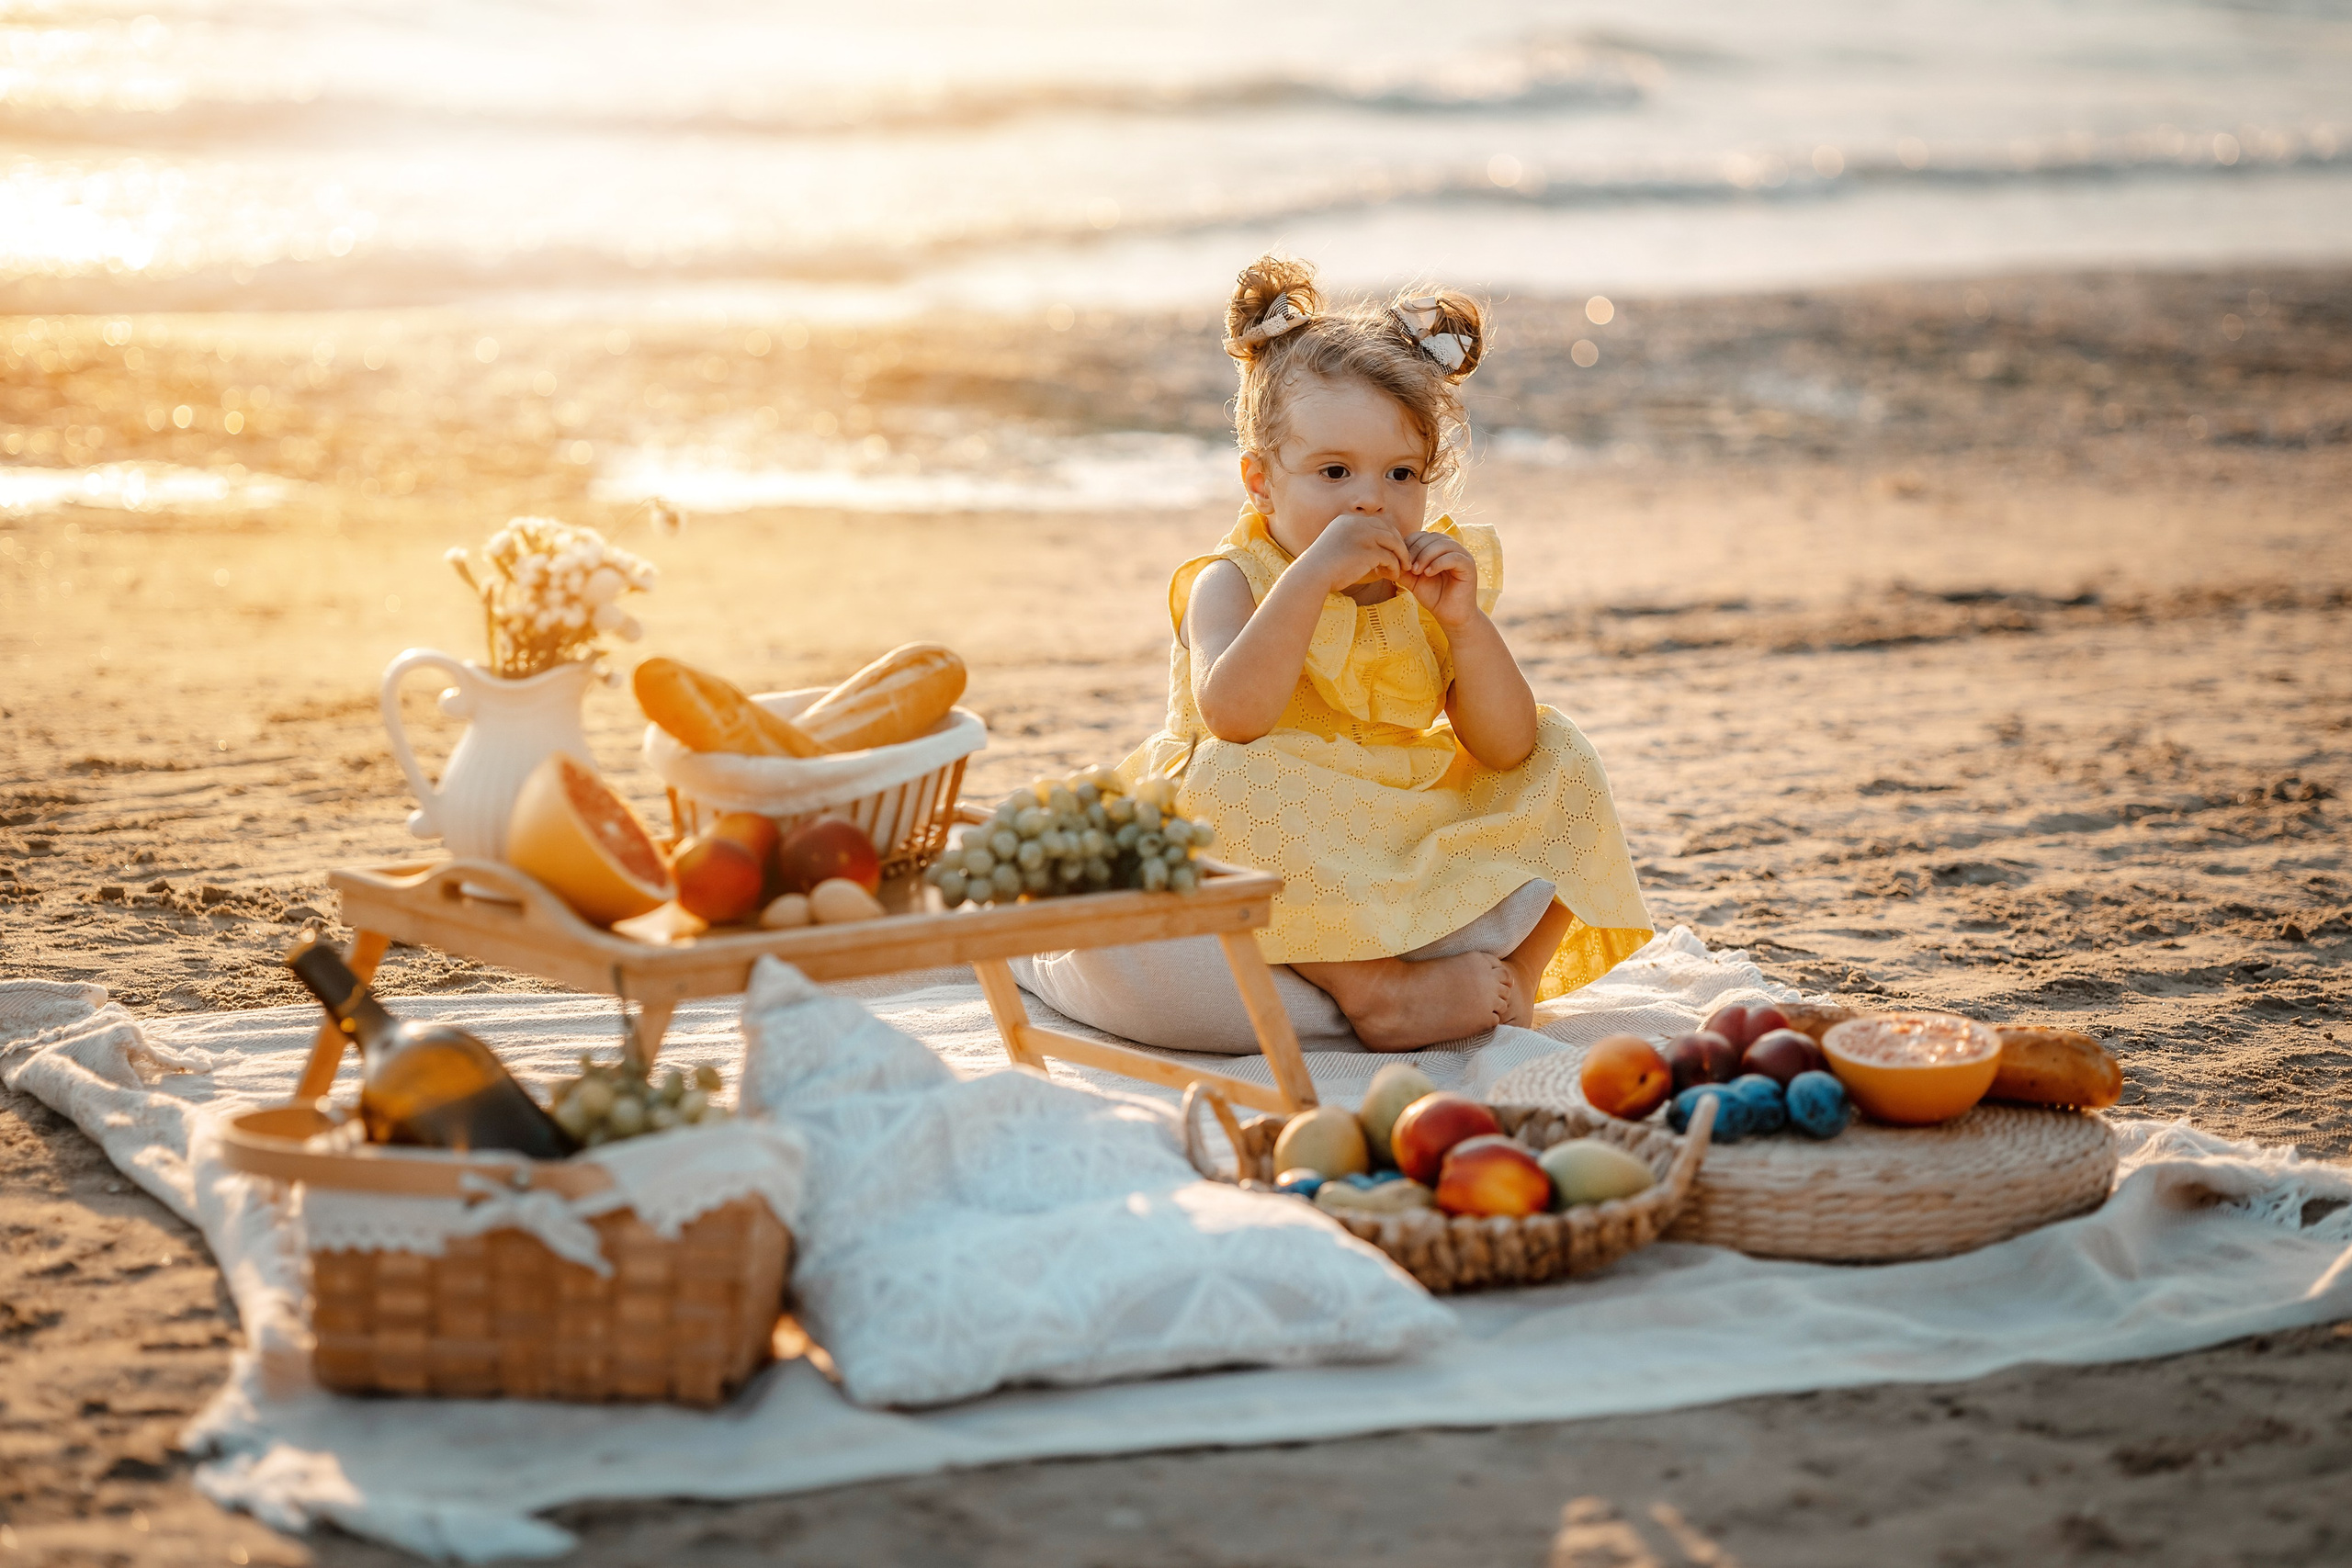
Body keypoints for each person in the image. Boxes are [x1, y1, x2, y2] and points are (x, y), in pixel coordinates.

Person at [1015, 255, 1652, 1054]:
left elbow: (1507, 746)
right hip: (1270, 819)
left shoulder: (1425, 580)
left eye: (1400, 473)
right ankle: (1374, 987)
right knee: (1229, 775)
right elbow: (1235, 717)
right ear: (1260, 483)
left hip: (1381, 818)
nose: (1370, 499)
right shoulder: (1232, 580)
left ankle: (1513, 979)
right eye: (1334, 471)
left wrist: (1464, 625)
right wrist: (1312, 577)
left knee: (1563, 751)